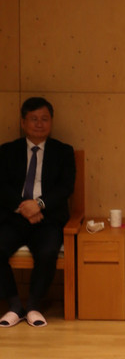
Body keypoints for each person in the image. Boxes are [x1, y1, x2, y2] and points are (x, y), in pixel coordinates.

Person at [0, 97, 76, 327]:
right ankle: (14, 306)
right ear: (23, 122)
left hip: (48, 219)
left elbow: (66, 187)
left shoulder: (63, 152)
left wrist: (39, 204)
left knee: (47, 253)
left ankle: (33, 306)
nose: (39, 124)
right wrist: (25, 207)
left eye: (44, 119)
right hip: (13, 218)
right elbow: (0, 185)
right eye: (33, 119)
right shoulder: (7, 151)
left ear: (51, 122)